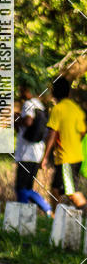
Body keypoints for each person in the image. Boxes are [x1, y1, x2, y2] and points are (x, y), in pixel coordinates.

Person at [40, 77, 87, 209]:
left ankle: (57, 215)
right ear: (68, 92)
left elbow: (52, 133)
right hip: (76, 156)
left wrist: (45, 156)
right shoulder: (76, 109)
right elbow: (83, 132)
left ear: (53, 92)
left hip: (66, 158)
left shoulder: (58, 109)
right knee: (56, 189)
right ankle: (55, 216)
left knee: (71, 192)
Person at [13, 83, 52, 215]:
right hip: (37, 153)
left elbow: (28, 122)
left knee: (20, 187)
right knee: (27, 187)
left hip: (26, 153)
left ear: (27, 90)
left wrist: (16, 119)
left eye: (21, 89)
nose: (20, 93)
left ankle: (23, 213)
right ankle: (47, 209)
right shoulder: (41, 106)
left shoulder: (28, 104)